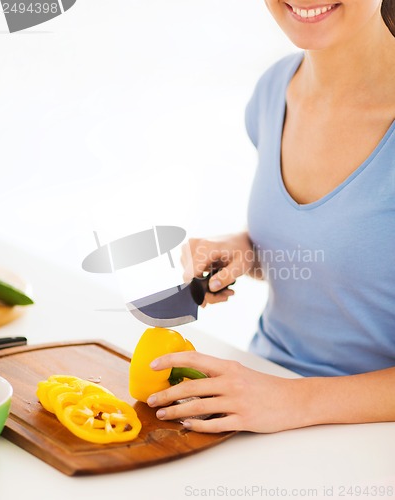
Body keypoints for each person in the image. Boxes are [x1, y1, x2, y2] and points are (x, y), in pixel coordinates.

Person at [146, 0, 395, 433]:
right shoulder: (275, 88)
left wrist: (290, 401)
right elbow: (347, 255)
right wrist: (242, 251)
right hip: (260, 396)